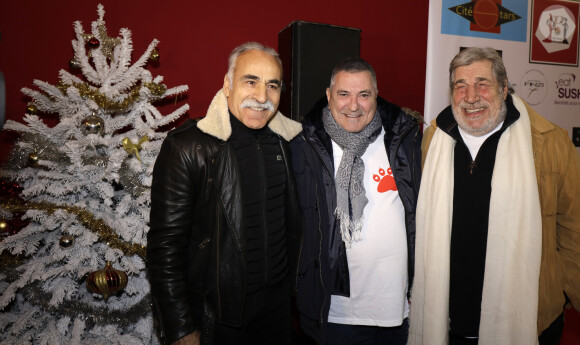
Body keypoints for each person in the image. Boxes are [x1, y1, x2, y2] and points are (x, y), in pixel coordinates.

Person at [408, 47, 580, 345]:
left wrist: (564, 288)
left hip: (532, 315)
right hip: (449, 318)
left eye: (482, 84)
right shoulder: (433, 139)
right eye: (460, 85)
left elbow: (574, 224)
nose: (471, 96)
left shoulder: (549, 141)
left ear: (504, 89)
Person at [147, 42, 303, 345]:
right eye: (251, 82)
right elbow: (165, 246)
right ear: (227, 85)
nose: (261, 97)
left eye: (273, 85)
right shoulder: (188, 147)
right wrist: (180, 327)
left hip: (278, 313)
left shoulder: (287, 142)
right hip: (219, 318)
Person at [290, 57, 422, 345]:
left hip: (398, 310)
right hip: (337, 314)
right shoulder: (304, 146)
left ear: (376, 94)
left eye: (363, 94)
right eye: (343, 94)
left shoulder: (404, 138)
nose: (353, 105)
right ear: (328, 95)